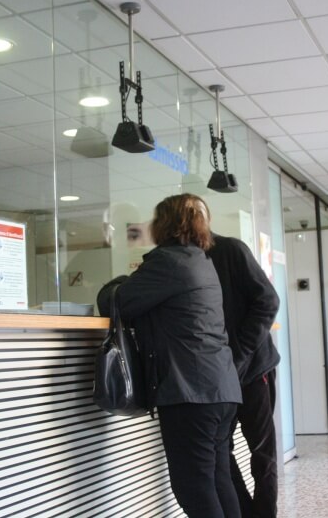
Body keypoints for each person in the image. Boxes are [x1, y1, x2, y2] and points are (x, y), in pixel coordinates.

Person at [97, 194, 242, 517]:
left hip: (191, 392)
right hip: (220, 389)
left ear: (164, 224)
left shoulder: (169, 262)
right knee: (218, 479)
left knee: (193, 487)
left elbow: (116, 302)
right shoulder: (200, 260)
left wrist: (117, 284)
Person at [206, 218, 281, 518]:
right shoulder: (184, 261)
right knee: (220, 452)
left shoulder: (230, 250)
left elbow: (268, 301)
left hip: (254, 370)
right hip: (219, 376)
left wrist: (239, 354)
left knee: (262, 453)